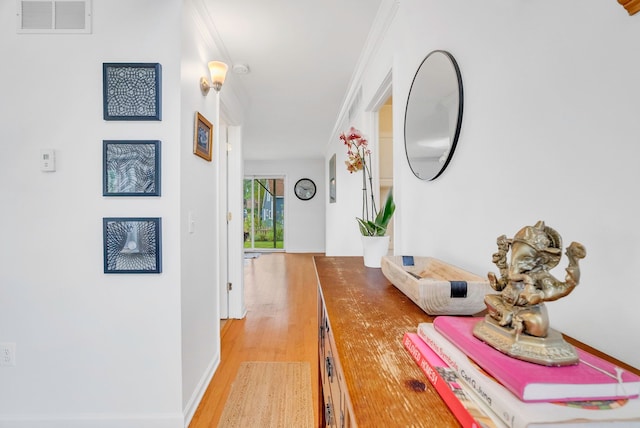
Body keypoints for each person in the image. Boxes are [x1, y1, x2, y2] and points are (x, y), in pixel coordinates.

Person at [485, 221, 586, 338]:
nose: (516, 264)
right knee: (489, 298)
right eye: (515, 257)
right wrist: (496, 284)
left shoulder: (540, 276)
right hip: (508, 305)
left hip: (528, 310)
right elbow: (505, 285)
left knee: (538, 325)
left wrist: (573, 262)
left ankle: (514, 320)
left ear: (540, 260)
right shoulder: (514, 269)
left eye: (525, 259)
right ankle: (508, 315)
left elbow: (563, 288)